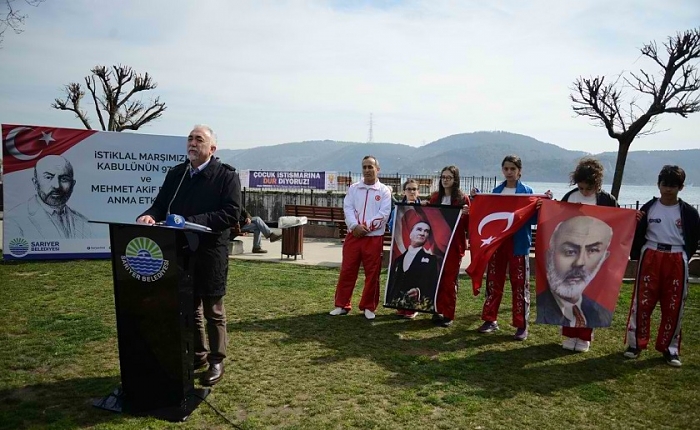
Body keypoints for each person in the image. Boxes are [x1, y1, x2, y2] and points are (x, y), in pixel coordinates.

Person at [136, 125, 241, 385]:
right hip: (181, 249)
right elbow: (161, 204)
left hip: (211, 250)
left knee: (213, 309)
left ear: (212, 149)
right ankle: (198, 354)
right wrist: (150, 215)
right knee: (189, 307)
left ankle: (217, 361)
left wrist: (190, 221)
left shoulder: (226, 176)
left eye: (199, 140)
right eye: (190, 139)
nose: (192, 144)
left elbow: (231, 213)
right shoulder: (177, 174)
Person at [624, 165, 699, 368]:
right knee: (643, 302)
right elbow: (633, 231)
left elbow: (693, 238)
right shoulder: (648, 209)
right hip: (650, 254)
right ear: (658, 185)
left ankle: (670, 348)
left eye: (673, 186)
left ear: (681, 188)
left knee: (673, 305)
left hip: (676, 256)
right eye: (665, 185)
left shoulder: (690, 213)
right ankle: (635, 344)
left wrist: (684, 256)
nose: (668, 189)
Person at [475, 155, 550, 340]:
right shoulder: (496, 191)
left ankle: (521, 324)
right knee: (494, 281)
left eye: (512, 169)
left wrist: (543, 205)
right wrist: (476, 199)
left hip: (519, 243)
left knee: (519, 284)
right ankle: (490, 319)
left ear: (519, 171)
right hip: (498, 243)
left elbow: (532, 220)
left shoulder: (527, 192)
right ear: (503, 170)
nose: (509, 172)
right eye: (506, 169)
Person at [554, 157, 618, 352]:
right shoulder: (571, 196)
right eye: (581, 187)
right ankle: (569, 333)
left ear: (596, 184)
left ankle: (584, 336)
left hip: (594, 254)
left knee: (590, 295)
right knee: (569, 292)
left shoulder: (607, 200)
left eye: (588, 188)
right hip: (572, 252)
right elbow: (557, 220)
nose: (584, 192)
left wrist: (635, 218)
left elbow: (618, 224)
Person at [329, 155, 392, 320]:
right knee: (348, 270)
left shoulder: (384, 191)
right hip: (353, 236)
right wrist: (354, 226)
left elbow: (384, 214)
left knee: (372, 273)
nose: (367, 170)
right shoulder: (354, 188)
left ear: (378, 169)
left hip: (373, 238)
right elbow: (347, 208)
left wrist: (366, 227)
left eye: (370, 167)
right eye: (364, 167)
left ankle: (368, 307)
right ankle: (342, 305)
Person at [537, 216, 614, 328]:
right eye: (570, 251)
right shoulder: (542, 305)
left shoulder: (600, 312)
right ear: (550, 255)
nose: (579, 262)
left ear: (603, 258)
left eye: (592, 250)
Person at [6, 155, 93, 239]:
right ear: (36, 183)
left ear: (72, 184)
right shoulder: (15, 219)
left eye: (64, 179)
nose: (56, 186)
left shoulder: (83, 222)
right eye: (48, 177)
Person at [428, 166, 470, 327]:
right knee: (436, 278)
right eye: (443, 177)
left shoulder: (462, 199)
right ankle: (436, 309)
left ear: (455, 179)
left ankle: (448, 313)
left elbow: (467, 226)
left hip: (454, 246)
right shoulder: (435, 198)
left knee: (449, 280)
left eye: (449, 177)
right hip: (437, 244)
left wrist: (467, 214)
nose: (445, 180)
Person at [386, 212, 439, 315]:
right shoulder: (398, 260)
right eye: (419, 229)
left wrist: (419, 292)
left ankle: (412, 311)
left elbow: (431, 284)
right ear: (410, 234)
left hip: (417, 303)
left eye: (426, 231)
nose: (422, 233)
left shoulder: (431, 260)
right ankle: (400, 308)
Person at [387, 179, 423, 318]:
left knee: (415, 276)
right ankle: (401, 305)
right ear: (404, 191)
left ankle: (412, 307)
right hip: (402, 247)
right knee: (401, 276)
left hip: (417, 248)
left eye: (414, 189)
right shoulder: (398, 208)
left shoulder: (425, 209)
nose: (412, 192)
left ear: (418, 192)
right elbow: (391, 225)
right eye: (409, 189)